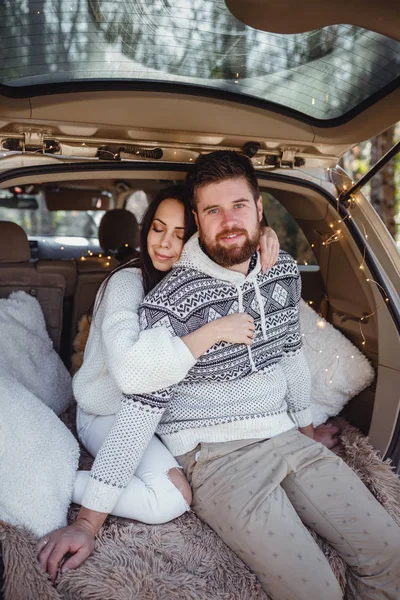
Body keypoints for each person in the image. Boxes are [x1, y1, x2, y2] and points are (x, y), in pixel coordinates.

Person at [90, 151, 398, 600]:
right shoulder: (169, 297)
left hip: (287, 437)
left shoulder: (284, 271)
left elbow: (290, 353)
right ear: (199, 219)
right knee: (316, 591)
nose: (228, 220)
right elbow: (141, 404)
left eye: (239, 206)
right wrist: (87, 520)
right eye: (213, 210)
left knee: (389, 552)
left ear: (259, 209)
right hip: (216, 457)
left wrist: (306, 427)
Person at [36, 183, 280, 583]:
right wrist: (214, 331)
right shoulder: (127, 283)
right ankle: (50, 476)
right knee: (170, 498)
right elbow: (131, 370)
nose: (164, 244)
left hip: (162, 418)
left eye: (181, 235)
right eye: (157, 229)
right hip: (107, 411)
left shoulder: (207, 283)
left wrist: (266, 235)